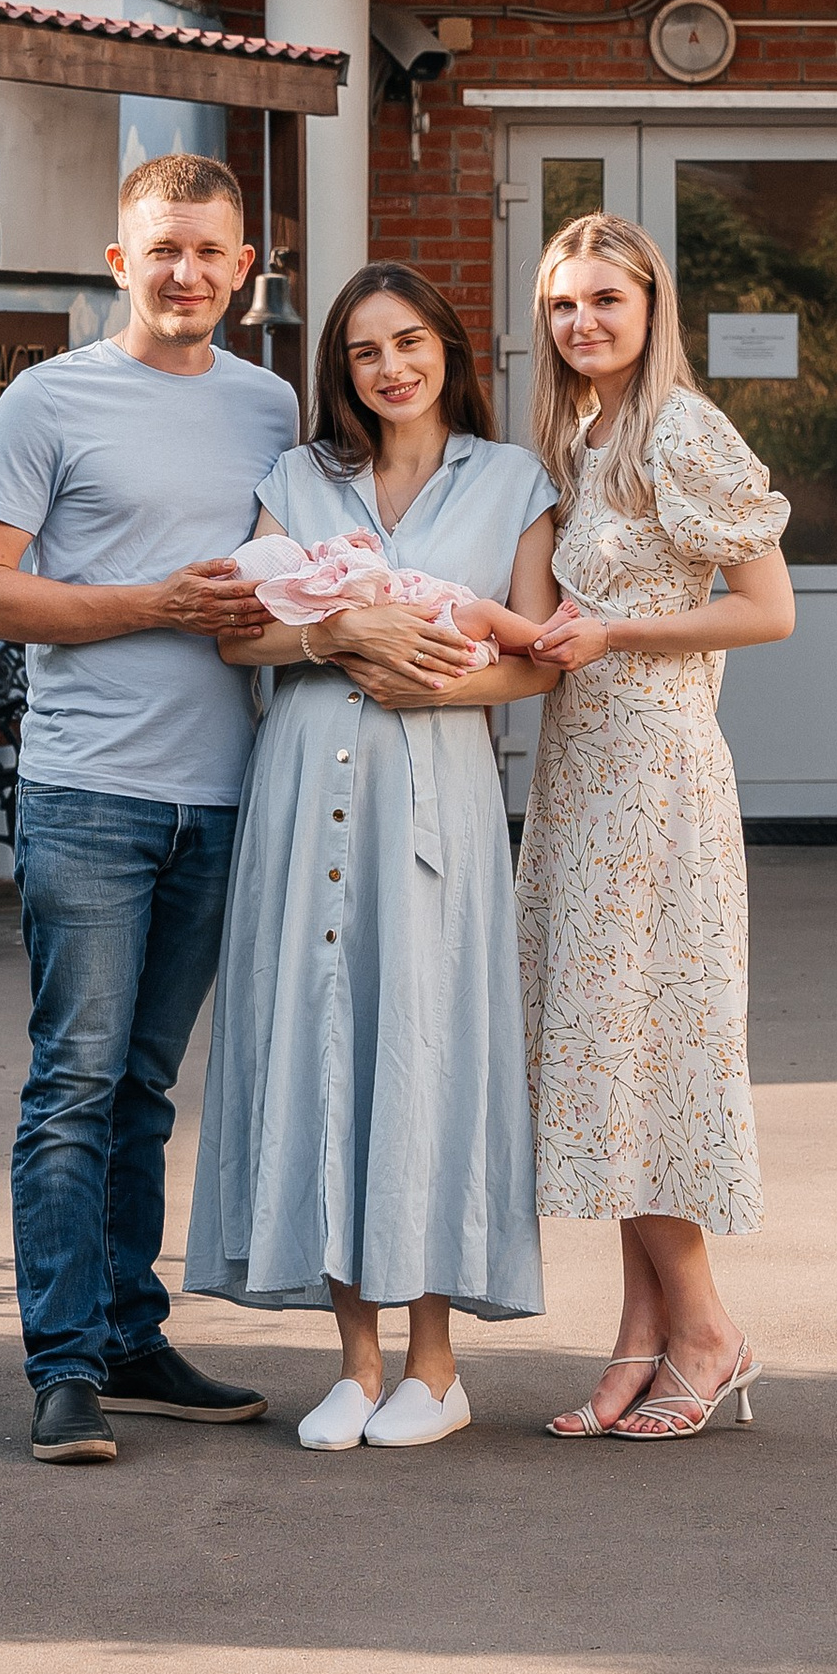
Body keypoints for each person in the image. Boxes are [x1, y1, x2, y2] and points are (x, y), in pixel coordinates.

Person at [0, 153, 297, 1466]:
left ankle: (131, 1336)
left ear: (243, 269)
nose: (186, 272)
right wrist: (155, 603)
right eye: (163, 249)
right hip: (89, 794)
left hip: (222, 796)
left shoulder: (271, 405)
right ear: (120, 262)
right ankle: (64, 1369)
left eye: (210, 252)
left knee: (145, 1087)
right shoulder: (49, 399)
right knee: (75, 1083)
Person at [183, 263, 563, 1449]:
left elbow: (538, 662)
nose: (390, 367)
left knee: (425, 1054)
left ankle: (434, 1371)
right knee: (323, 1051)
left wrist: (432, 684)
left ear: (447, 348)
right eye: (364, 352)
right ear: (339, 371)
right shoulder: (298, 479)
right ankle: (354, 1363)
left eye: (408, 343)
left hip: (434, 803)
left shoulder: (512, 482)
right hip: (305, 802)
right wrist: (337, 633)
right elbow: (241, 639)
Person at [516, 211, 795, 1445]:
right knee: (609, 1054)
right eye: (563, 303)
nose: (582, 322)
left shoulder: (684, 429)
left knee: (650, 1052)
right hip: (581, 773)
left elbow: (768, 610)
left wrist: (618, 632)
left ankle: (710, 1330)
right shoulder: (578, 436)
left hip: (658, 781)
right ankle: (643, 1333)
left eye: (604, 301)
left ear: (648, 308)